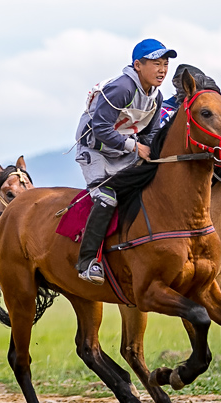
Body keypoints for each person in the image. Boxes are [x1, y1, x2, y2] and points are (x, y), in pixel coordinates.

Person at [73, 38, 177, 284]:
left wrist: (152, 151)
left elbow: (150, 133)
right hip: (94, 151)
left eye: (165, 63)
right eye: (156, 63)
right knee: (107, 197)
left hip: (122, 152)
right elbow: (100, 128)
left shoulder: (157, 95)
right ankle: (87, 262)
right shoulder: (123, 88)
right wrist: (134, 146)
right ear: (138, 65)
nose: (162, 69)